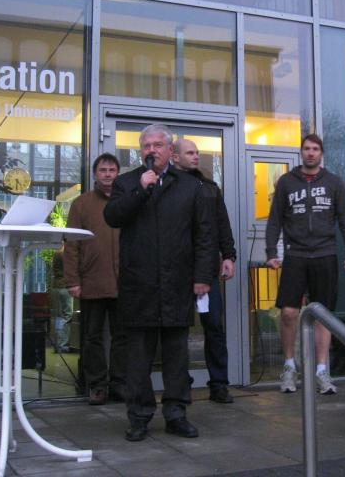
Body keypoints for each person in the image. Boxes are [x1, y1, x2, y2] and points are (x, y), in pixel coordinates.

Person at [104, 124, 212, 442]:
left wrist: (202, 276)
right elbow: (113, 217)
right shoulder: (126, 183)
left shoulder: (190, 186)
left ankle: (176, 414)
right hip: (139, 285)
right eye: (146, 146)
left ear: (169, 150)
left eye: (157, 145)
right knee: (138, 357)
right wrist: (140, 189)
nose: (151, 150)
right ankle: (139, 416)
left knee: (177, 355)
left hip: (177, 283)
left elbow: (204, 235)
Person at [265, 134, 345, 395]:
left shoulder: (334, 182)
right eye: (306, 148)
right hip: (295, 255)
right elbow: (274, 220)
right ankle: (289, 367)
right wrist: (271, 251)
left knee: (322, 315)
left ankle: (321, 371)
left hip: (325, 254)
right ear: (301, 152)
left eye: (315, 149)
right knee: (288, 313)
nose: (310, 153)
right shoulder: (286, 182)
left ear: (321, 153)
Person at [172, 138, 236, 404]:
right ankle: (180, 385)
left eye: (197, 152)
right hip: (175, 271)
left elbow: (222, 224)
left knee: (214, 327)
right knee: (177, 332)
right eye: (190, 152)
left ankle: (219, 385)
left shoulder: (209, 187)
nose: (196, 156)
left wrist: (229, 255)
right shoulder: (166, 185)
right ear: (175, 157)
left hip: (207, 270)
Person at [63, 153, 127, 405]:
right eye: (103, 170)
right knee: (92, 338)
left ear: (118, 174)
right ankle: (97, 386)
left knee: (123, 337)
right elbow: (71, 244)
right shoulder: (81, 204)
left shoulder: (127, 202)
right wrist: (72, 280)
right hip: (91, 282)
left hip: (124, 283)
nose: (108, 174)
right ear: (95, 174)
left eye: (112, 170)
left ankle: (119, 384)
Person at [50, 249, 72, 354]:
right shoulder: (67, 252)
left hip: (56, 286)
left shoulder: (57, 253)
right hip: (65, 286)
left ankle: (57, 343)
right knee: (67, 315)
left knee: (58, 316)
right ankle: (63, 345)